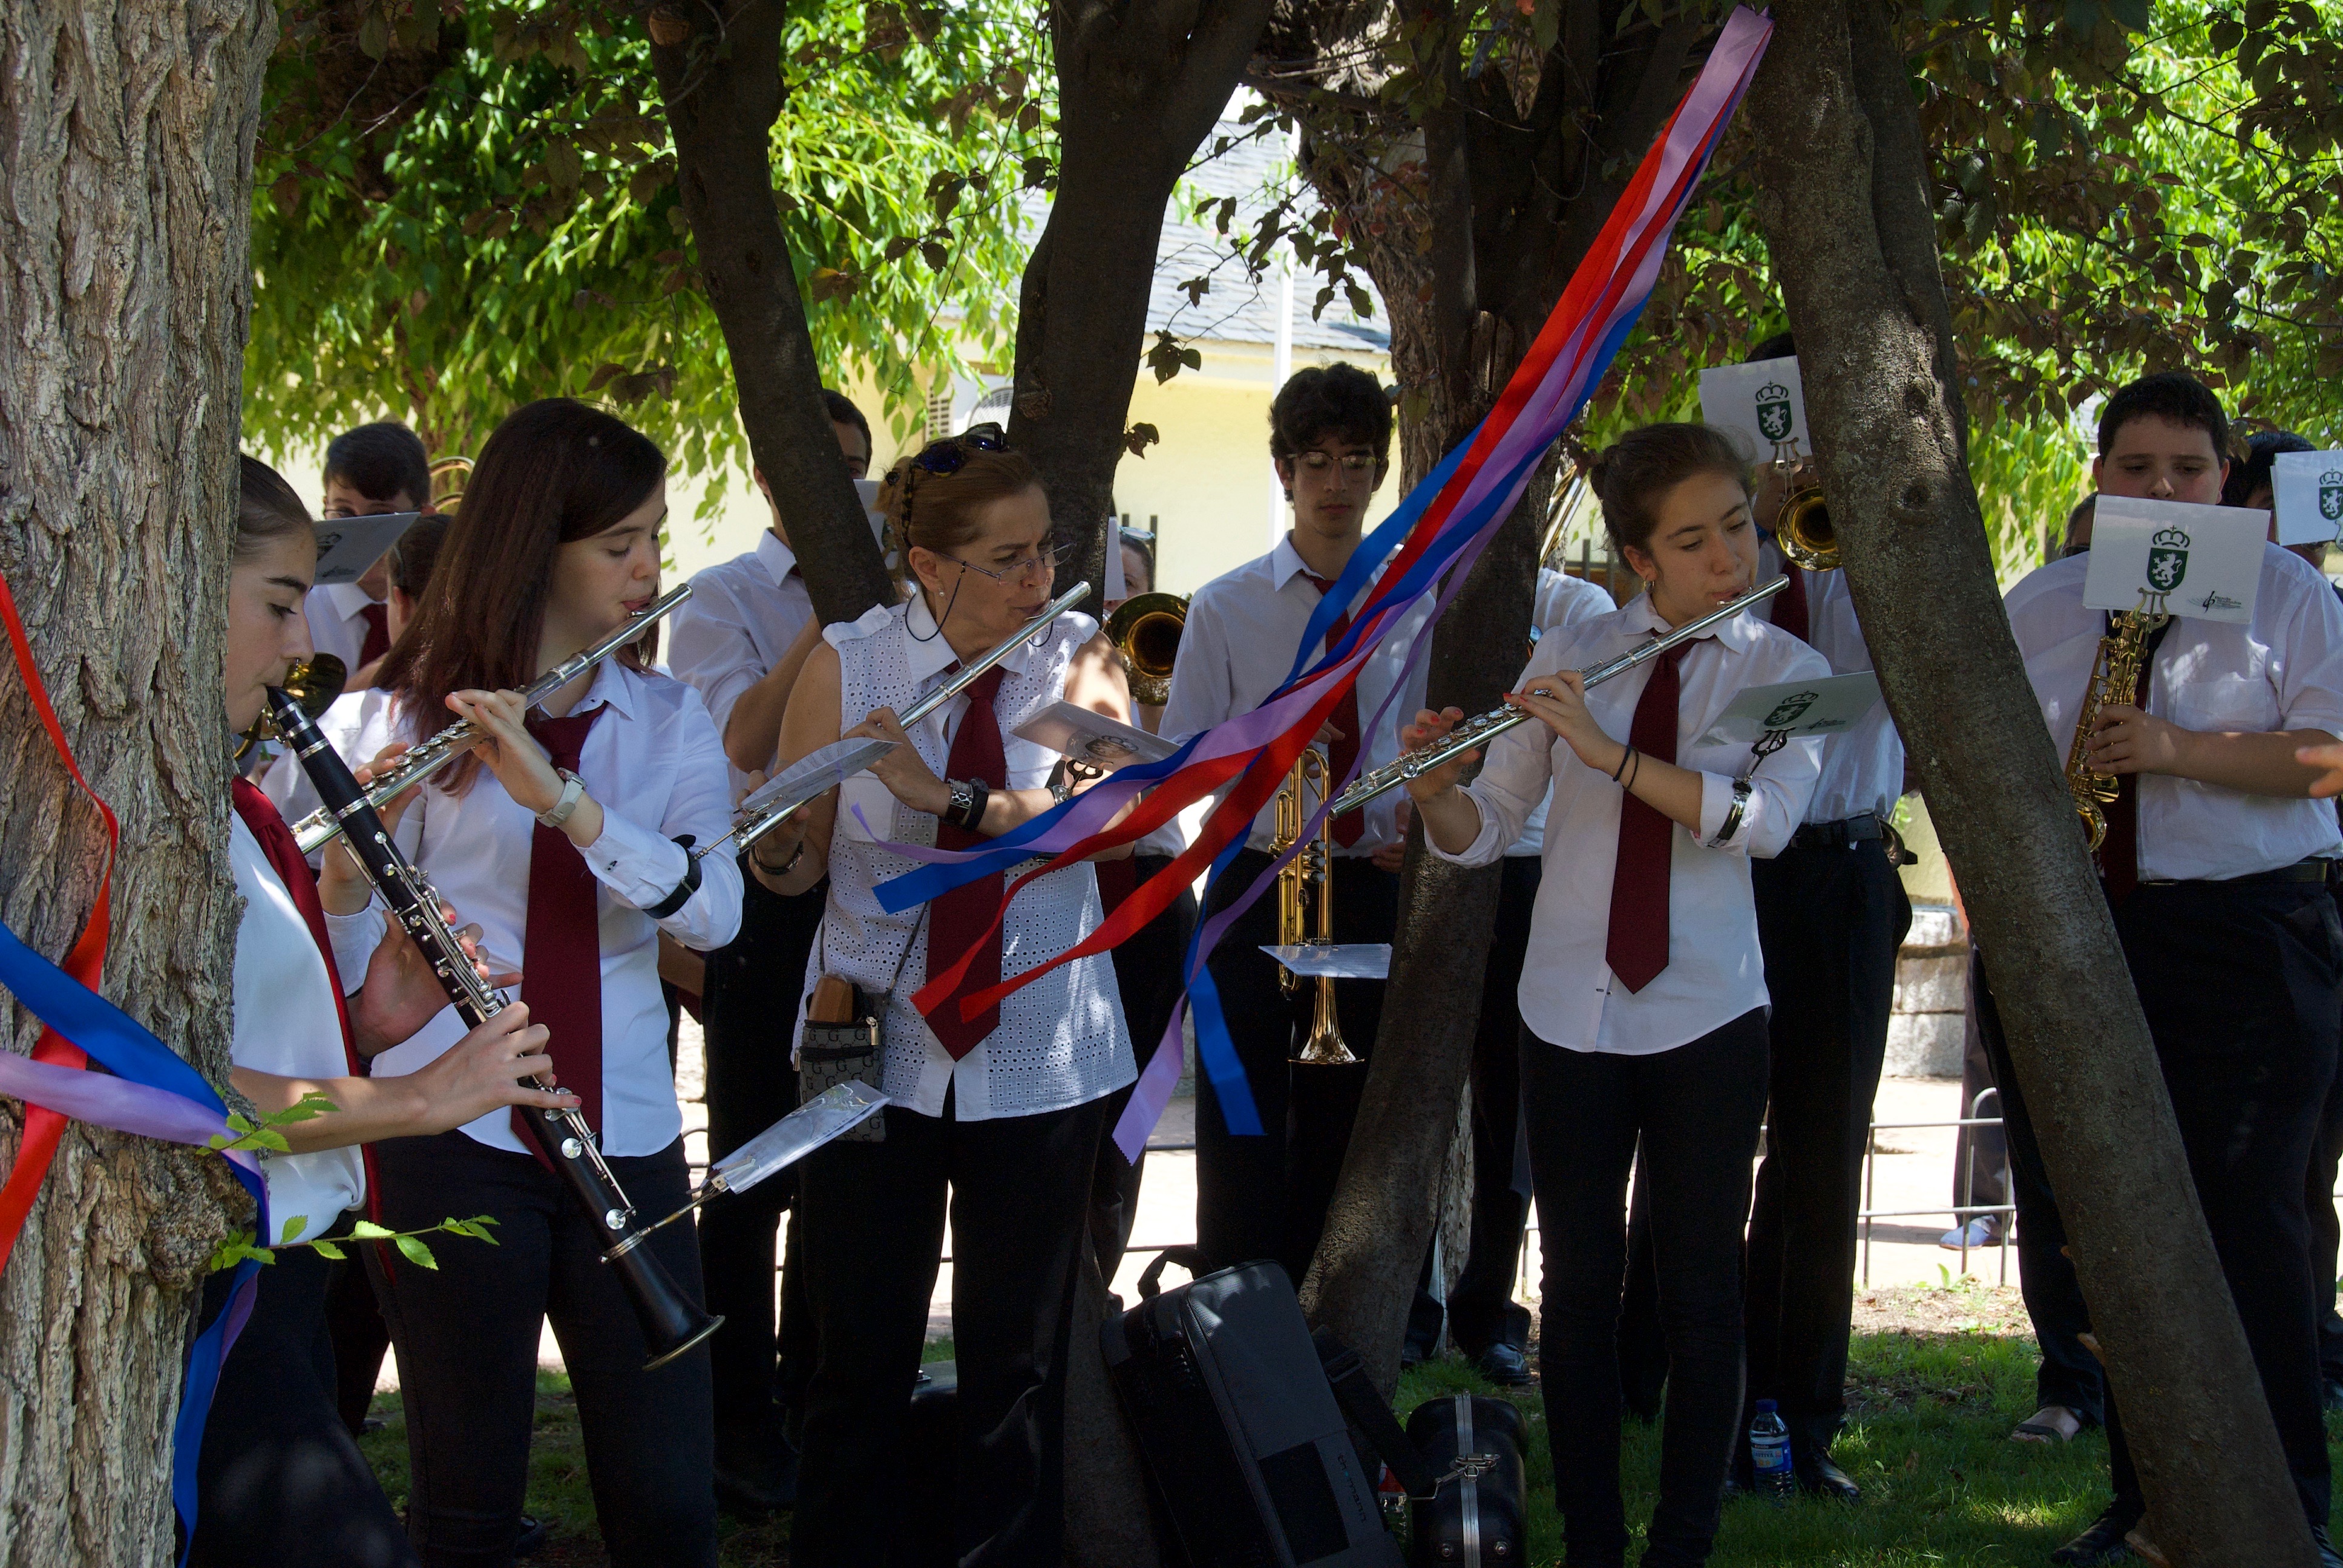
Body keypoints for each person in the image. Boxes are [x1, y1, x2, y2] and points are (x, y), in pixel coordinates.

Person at [320, 398, 744, 1567]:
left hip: (626, 1126)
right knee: (465, 1496)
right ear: (530, 549)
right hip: (447, 1131)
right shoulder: (373, 721)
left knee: (666, 1500)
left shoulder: (666, 723)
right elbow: (338, 988)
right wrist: (352, 876)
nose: (649, 567)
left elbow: (714, 913)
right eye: (620, 544)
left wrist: (566, 803)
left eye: (655, 535)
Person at [1404, 422, 1825, 1567]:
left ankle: (1681, 1542)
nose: (1727, 557)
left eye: (1736, 525)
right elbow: (1481, 834)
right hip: (1568, 1013)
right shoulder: (1574, 647)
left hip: (1708, 1015)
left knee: (1699, 1285)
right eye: (1690, 541)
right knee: (1577, 1287)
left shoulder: (1790, 670)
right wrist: (1439, 787)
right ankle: (1589, 1540)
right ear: (1639, 559)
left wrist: (1608, 753)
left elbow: (1764, 824)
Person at [750, 425, 1137, 1566]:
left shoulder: (1076, 658)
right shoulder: (849, 663)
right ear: (928, 566)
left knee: (1014, 1363)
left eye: (1044, 549)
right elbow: (798, 864)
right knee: (855, 1355)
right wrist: (774, 835)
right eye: (1008, 558)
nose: (1037, 577)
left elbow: (1104, 825)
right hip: (869, 1039)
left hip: (1040, 1049)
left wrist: (947, 795)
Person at [194, 456, 576, 1567]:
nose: (298, 647)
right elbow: (174, 1093)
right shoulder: (138, 811)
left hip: (287, 1275)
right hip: (216, 1290)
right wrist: (418, 1098)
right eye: (277, 606)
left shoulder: (228, 801)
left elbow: (252, 1043)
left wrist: (373, 1018)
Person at [1995, 370, 2343, 1566]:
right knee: (2118, 1228)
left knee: (2254, 1228)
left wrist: (2173, 747)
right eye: (2136, 469)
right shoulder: (2039, 606)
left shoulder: (2286, 593)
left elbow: (2327, 759)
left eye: (2187, 472)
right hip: (2097, 940)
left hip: (2253, 936)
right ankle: (2146, 1505)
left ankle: (2288, 1508)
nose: (2162, 491)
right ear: (2099, 480)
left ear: (2229, 487)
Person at [1159, 363, 1425, 1285]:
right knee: (1239, 1116)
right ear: (1283, 472)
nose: (1336, 485)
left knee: (1342, 1120)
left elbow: (1440, 746)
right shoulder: (1226, 606)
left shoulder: (1416, 603)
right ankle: (1234, 1310)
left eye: (1357, 462)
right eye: (1314, 462)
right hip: (1255, 883)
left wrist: (1415, 833)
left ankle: (1325, 1321)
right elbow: (1184, 755)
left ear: (1380, 473)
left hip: (1368, 884)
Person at [664, 388, 873, 1511]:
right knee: (750, 1166)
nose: (839, 490)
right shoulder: (721, 597)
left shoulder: (898, 602)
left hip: (856, 908)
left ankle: (812, 1408)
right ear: (770, 482)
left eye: (855, 469)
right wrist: (828, 616)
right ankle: (733, 1423)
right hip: (763, 903)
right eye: (816, 470)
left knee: (839, 1150)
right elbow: (739, 738)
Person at [1729, 335, 1913, 1503]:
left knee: (1822, 1155)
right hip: (1733, 870)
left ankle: (1804, 1410)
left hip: (1843, 874)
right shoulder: (1730, 548)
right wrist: (1755, 528)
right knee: (1701, 1147)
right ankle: (1708, 1389)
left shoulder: (1900, 546)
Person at [1407, 561, 1615, 1384]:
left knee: (1509, 1110)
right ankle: (1406, 1308)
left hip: (1527, 871)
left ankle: (1488, 1309)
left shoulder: (1579, 611)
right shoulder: (1404, 597)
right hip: (1416, 858)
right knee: (1414, 1096)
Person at [1092, 521, 1198, 1278]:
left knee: (1128, 1109)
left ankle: (1102, 1265)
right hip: (1070, 890)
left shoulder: (1161, 661)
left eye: (1130, 585)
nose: (1119, 602)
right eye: (1108, 590)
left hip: (1150, 892)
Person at [306, 422, 431, 678]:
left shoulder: (444, 605)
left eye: (380, 516)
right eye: (343, 513)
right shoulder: (300, 607)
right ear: (325, 506)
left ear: (424, 518)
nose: (358, 535)